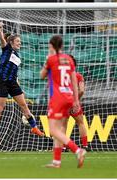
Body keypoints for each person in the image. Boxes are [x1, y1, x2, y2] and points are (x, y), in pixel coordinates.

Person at [0, 22, 44, 147]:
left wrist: (19, 86)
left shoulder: (17, 56)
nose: (20, 43)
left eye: (20, 41)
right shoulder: (6, 49)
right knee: (0, 108)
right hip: (2, 82)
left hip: (13, 82)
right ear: (11, 42)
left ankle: (34, 127)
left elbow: (15, 72)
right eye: (18, 41)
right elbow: (2, 39)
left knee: (24, 105)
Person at [40, 35, 86, 168]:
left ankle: (78, 150)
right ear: (61, 46)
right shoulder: (69, 60)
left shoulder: (51, 59)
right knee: (60, 129)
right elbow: (73, 81)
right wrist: (76, 100)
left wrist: (48, 58)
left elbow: (42, 75)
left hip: (58, 98)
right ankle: (56, 161)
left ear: (52, 46)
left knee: (53, 130)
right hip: (69, 97)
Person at [68, 54, 88, 149]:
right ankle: (85, 145)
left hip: (64, 102)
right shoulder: (79, 76)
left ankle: (63, 146)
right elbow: (82, 90)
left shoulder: (61, 77)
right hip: (75, 103)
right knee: (81, 123)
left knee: (62, 125)